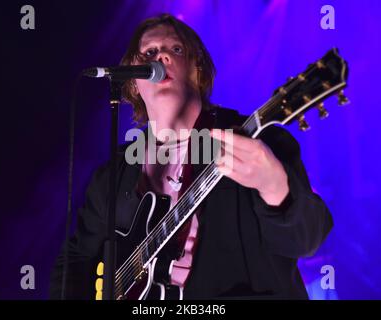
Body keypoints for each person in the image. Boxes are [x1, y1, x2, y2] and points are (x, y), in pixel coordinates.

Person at [50, 13, 333, 300]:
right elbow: (75, 260)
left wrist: (274, 186)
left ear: (196, 68)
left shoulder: (254, 142)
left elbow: (308, 239)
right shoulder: (115, 174)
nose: (161, 57)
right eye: (149, 52)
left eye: (175, 49)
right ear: (133, 82)